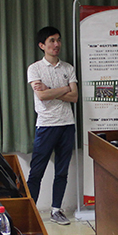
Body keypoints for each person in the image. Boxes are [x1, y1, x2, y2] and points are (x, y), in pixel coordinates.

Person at [26, 26, 78, 225]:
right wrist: (63, 89)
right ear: (42, 45)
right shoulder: (35, 68)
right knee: (36, 171)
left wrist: (51, 89)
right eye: (52, 41)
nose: (57, 44)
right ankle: (30, 211)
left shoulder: (68, 68)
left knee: (62, 171)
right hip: (46, 125)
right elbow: (41, 95)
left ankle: (56, 210)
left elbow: (74, 97)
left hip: (67, 124)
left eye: (58, 40)